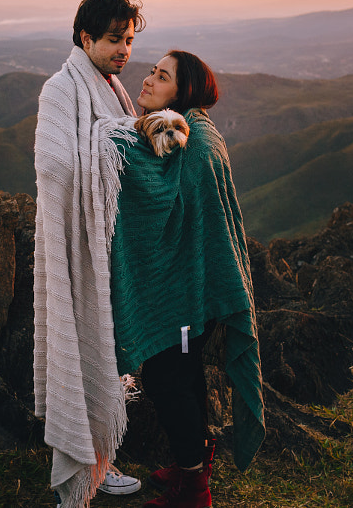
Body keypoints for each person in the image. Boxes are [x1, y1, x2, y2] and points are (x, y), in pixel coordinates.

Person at [109, 50, 265, 507]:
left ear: (184, 92)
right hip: (192, 290)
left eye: (162, 76)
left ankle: (194, 490)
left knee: (165, 380)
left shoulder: (194, 144)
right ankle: (192, 463)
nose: (148, 79)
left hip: (186, 292)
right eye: (152, 71)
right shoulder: (190, 132)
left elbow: (165, 205)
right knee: (185, 374)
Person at [33, 0, 146, 507]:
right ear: (85, 39)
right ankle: (77, 476)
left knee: (110, 346)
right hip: (79, 243)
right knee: (81, 344)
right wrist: (118, 139)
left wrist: (116, 137)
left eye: (128, 39)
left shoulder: (112, 87)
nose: (124, 49)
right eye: (113, 39)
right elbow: (56, 168)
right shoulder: (60, 90)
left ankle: (101, 462)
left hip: (108, 242)